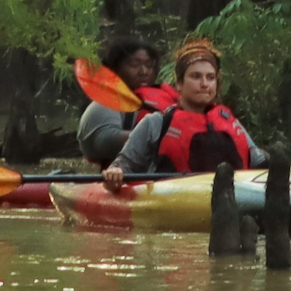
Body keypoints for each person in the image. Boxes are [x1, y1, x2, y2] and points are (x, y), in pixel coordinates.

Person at [106, 38, 257, 184]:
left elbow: (259, 160)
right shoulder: (156, 124)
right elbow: (122, 165)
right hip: (175, 204)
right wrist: (115, 173)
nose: (204, 84)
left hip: (230, 202)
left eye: (210, 78)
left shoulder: (230, 122)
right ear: (179, 83)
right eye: (196, 76)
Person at [79, 37, 172, 166]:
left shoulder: (170, 99)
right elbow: (105, 142)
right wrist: (171, 137)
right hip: (117, 177)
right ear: (115, 68)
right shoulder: (102, 105)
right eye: (134, 65)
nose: (143, 72)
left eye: (149, 65)